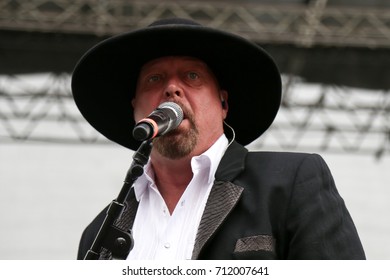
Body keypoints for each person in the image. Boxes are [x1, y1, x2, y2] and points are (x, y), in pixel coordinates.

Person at [71, 18, 365, 260]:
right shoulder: (99, 233)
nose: (172, 88)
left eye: (192, 76)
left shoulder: (292, 183)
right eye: (154, 79)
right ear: (136, 109)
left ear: (223, 103)